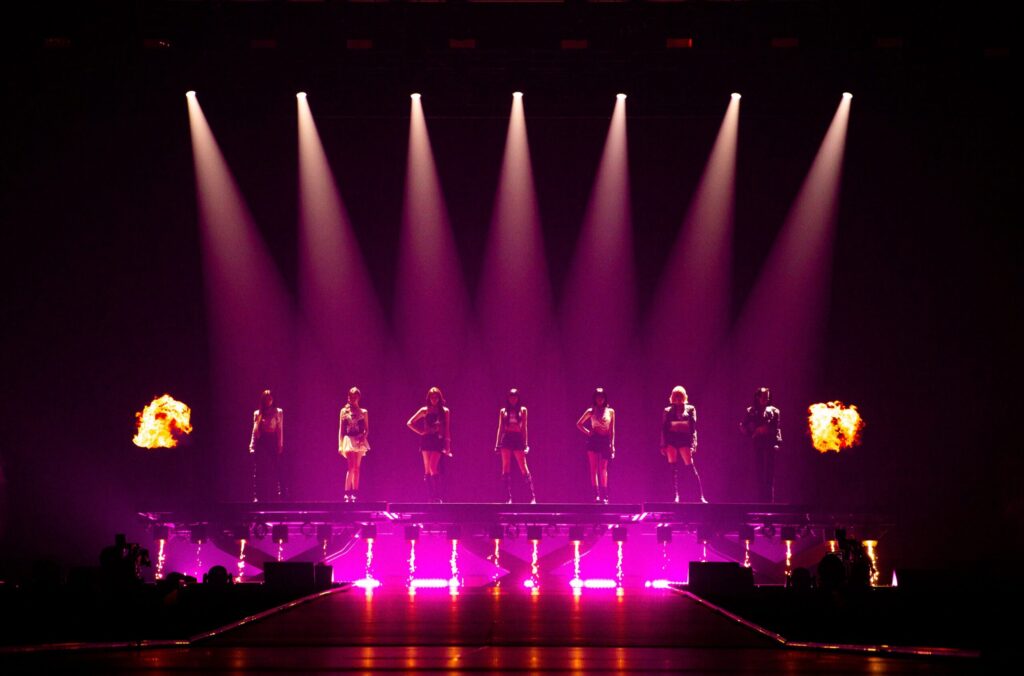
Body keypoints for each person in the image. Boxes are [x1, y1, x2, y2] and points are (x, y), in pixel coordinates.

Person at [660, 386, 707, 503]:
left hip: (684, 440)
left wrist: (694, 443)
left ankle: (700, 496)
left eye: (680, 396)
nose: (677, 398)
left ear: (684, 397)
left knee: (690, 467)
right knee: (673, 469)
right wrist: (662, 444)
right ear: (672, 397)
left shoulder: (691, 409)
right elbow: (664, 428)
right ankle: (675, 496)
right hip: (671, 440)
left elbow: (693, 428)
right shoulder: (667, 410)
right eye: (675, 396)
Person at [407, 387, 452, 503]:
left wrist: (448, 444)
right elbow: (409, 422)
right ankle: (431, 497)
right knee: (427, 470)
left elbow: (447, 429)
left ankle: (438, 496)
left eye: (436, 397)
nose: (434, 399)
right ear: (429, 398)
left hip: (438, 440)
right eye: (432, 397)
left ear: (439, 398)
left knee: (433, 467)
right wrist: (421, 432)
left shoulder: (445, 411)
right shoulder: (424, 410)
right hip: (426, 440)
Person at [494, 388, 536, 504]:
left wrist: (526, 443)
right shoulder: (503, 411)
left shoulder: (523, 410)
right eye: (511, 397)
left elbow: (524, 428)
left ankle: (531, 496)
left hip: (517, 438)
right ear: (508, 398)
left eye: (515, 397)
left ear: (518, 398)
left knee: (523, 466)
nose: (513, 399)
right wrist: (497, 444)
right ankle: (507, 497)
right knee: (505, 467)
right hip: (507, 438)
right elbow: (500, 428)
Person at [740, 386, 782, 503]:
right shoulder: (751, 411)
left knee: (770, 475)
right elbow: (742, 425)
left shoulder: (775, 411)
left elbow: (777, 428)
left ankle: (770, 503)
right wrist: (753, 433)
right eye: (763, 397)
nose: (765, 399)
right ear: (758, 397)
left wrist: (777, 442)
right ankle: (760, 502)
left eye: (767, 397)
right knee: (759, 473)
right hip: (758, 444)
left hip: (770, 445)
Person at [576, 387, 615, 504]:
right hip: (594, 440)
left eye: (602, 397)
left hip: (605, 440)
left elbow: (612, 430)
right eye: (598, 397)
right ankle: (596, 495)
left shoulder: (610, 411)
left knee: (603, 468)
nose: (600, 399)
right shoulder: (591, 411)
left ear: (605, 398)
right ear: (595, 398)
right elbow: (579, 424)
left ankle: (605, 495)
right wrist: (588, 432)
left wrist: (612, 445)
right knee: (594, 468)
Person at [249, 389, 285, 502]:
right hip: (262, 441)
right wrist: (252, 445)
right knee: (259, 469)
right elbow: (254, 431)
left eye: (270, 398)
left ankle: (280, 493)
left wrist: (280, 444)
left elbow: (280, 429)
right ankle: (257, 495)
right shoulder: (258, 413)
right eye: (266, 398)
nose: (269, 400)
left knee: (277, 466)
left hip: (272, 440)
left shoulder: (278, 412)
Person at [338, 387, 370, 503]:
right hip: (348, 440)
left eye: (355, 396)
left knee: (357, 468)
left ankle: (355, 493)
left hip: (358, 440)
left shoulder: (363, 412)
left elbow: (366, 429)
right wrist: (340, 444)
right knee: (351, 467)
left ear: (358, 397)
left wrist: (363, 436)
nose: (353, 398)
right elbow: (341, 429)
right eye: (351, 396)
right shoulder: (344, 411)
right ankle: (347, 492)